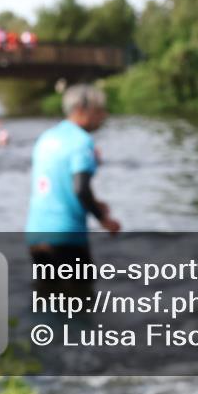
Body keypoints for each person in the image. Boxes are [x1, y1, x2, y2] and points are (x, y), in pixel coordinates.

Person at [26, 84, 120, 287]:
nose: (104, 115)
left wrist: (94, 202)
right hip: (66, 236)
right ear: (81, 110)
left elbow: (58, 184)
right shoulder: (81, 141)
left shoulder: (46, 138)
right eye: (99, 110)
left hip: (36, 234)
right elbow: (80, 189)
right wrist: (104, 219)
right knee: (82, 297)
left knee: (47, 295)